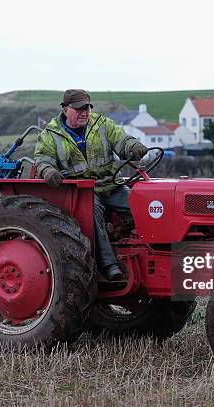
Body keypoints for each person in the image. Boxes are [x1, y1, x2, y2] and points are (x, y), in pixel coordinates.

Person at [34, 89, 148, 280]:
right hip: (82, 191)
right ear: (65, 109)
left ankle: (148, 251)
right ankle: (109, 265)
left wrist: (132, 146)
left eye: (86, 108)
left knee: (140, 206)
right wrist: (49, 172)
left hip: (110, 185)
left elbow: (121, 139)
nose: (84, 112)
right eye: (79, 109)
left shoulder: (102, 124)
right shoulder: (50, 135)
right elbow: (43, 160)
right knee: (92, 212)